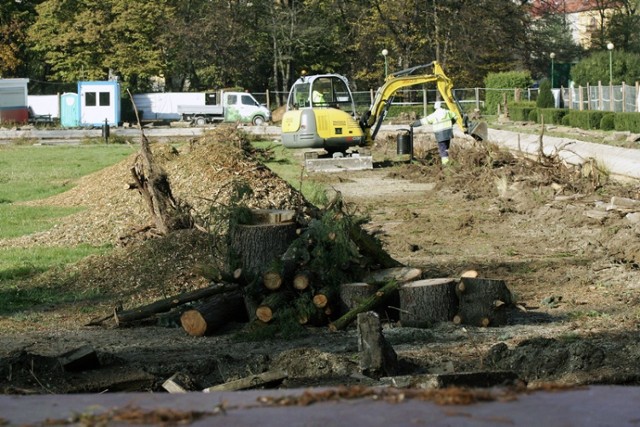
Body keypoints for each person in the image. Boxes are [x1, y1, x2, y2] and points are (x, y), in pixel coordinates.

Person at [412, 101, 458, 165]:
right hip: (448, 133)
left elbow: (424, 121)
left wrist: (414, 124)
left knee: (442, 148)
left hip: (440, 135)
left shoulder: (434, 115)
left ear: (435, 107)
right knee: (447, 147)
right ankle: (448, 160)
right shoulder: (447, 112)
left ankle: (445, 163)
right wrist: (451, 123)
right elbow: (455, 116)